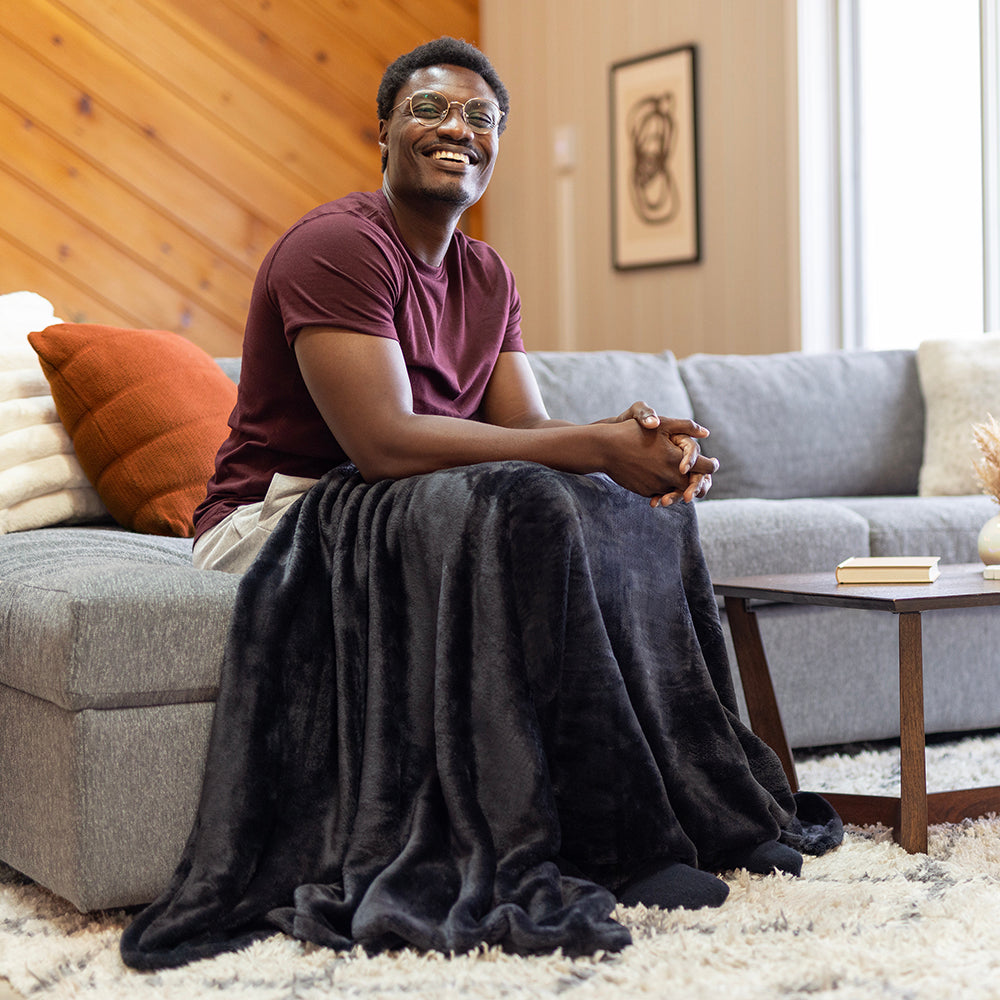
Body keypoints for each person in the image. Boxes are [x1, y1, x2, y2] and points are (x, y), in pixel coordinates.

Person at [120, 36, 839, 971]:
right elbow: (382, 442)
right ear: (384, 132)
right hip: (281, 519)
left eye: (480, 117)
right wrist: (588, 450)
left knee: (627, 510)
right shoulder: (337, 247)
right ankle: (607, 846)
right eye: (428, 109)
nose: (456, 128)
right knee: (535, 501)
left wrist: (626, 456)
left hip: (411, 501)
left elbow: (525, 430)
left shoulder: (489, 275)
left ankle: (699, 807)